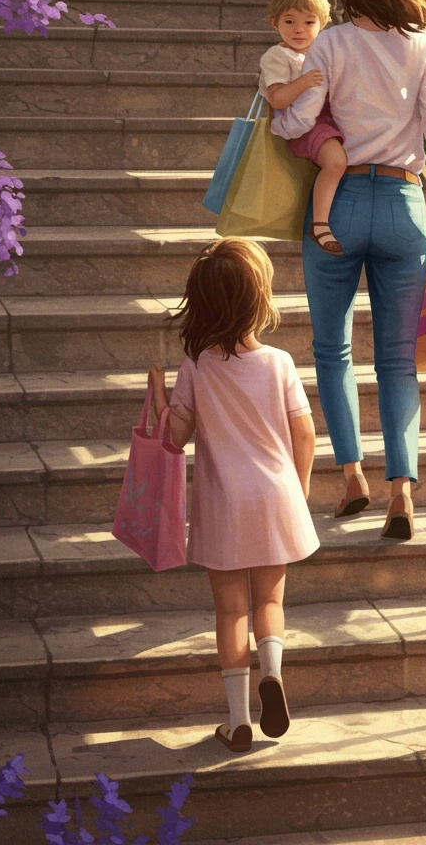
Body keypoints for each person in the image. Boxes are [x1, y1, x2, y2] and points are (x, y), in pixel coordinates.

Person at [272, 0, 426, 542]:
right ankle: (402, 495)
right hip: (402, 201)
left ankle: (353, 479)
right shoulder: (422, 46)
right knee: (397, 359)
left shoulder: (327, 44)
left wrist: (299, 116)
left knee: (333, 350)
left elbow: (295, 123)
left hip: (335, 206)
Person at [147, 238, 318, 755]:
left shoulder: (195, 368)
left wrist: (157, 393)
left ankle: (239, 721)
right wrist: (300, 489)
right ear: (258, 300)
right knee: (270, 599)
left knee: (230, 613)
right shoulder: (280, 363)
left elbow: (172, 439)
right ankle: (272, 673)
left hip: (222, 503)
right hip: (275, 495)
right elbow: (305, 433)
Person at [258, 0, 348, 255]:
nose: (299, 30)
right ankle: (319, 224)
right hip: (303, 125)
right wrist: (304, 82)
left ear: (322, 24)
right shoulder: (278, 56)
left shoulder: (323, 52)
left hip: (330, 120)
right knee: (335, 163)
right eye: (289, 21)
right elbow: (276, 98)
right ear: (275, 23)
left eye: (308, 22)